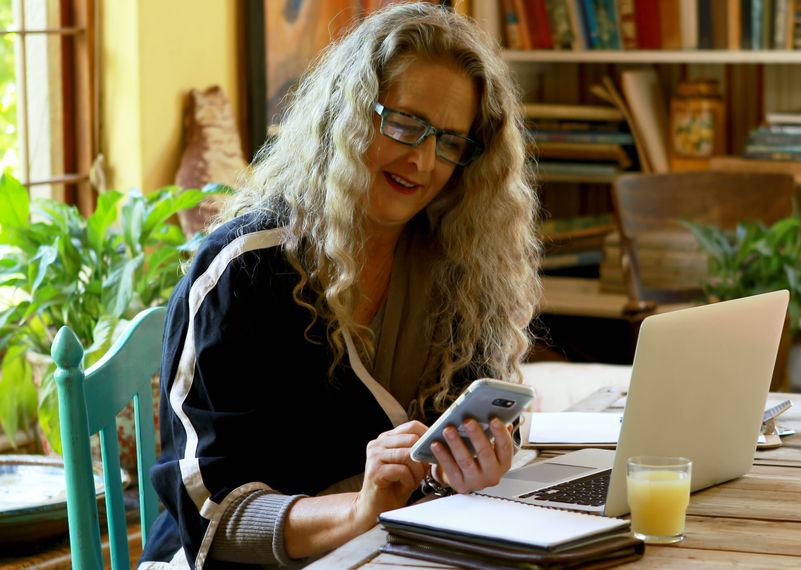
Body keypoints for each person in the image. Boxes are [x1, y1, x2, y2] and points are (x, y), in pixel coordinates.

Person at [140, 4, 541, 568]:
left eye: (451, 141)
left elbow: (465, 423)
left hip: (387, 551)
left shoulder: (460, 268)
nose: (422, 160)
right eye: (403, 122)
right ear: (347, 113)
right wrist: (358, 510)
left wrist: (476, 463)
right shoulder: (244, 269)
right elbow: (210, 514)